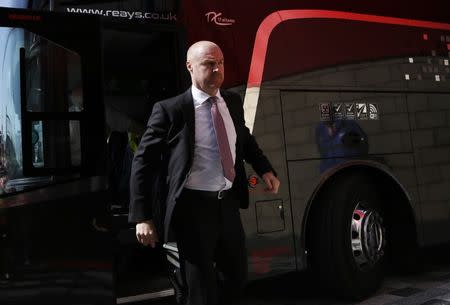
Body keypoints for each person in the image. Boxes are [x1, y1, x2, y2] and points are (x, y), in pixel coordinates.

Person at [129, 40, 280, 305]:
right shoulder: (170, 110)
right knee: (200, 289)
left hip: (229, 205)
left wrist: (265, 168)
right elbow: (143, 162)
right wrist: (142, 216)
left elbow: (243, 139)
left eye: (220, 63)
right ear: (190, 67)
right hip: (193, 211)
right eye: (208, 64)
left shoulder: (231, 101)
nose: (217, 70)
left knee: (237, 279)